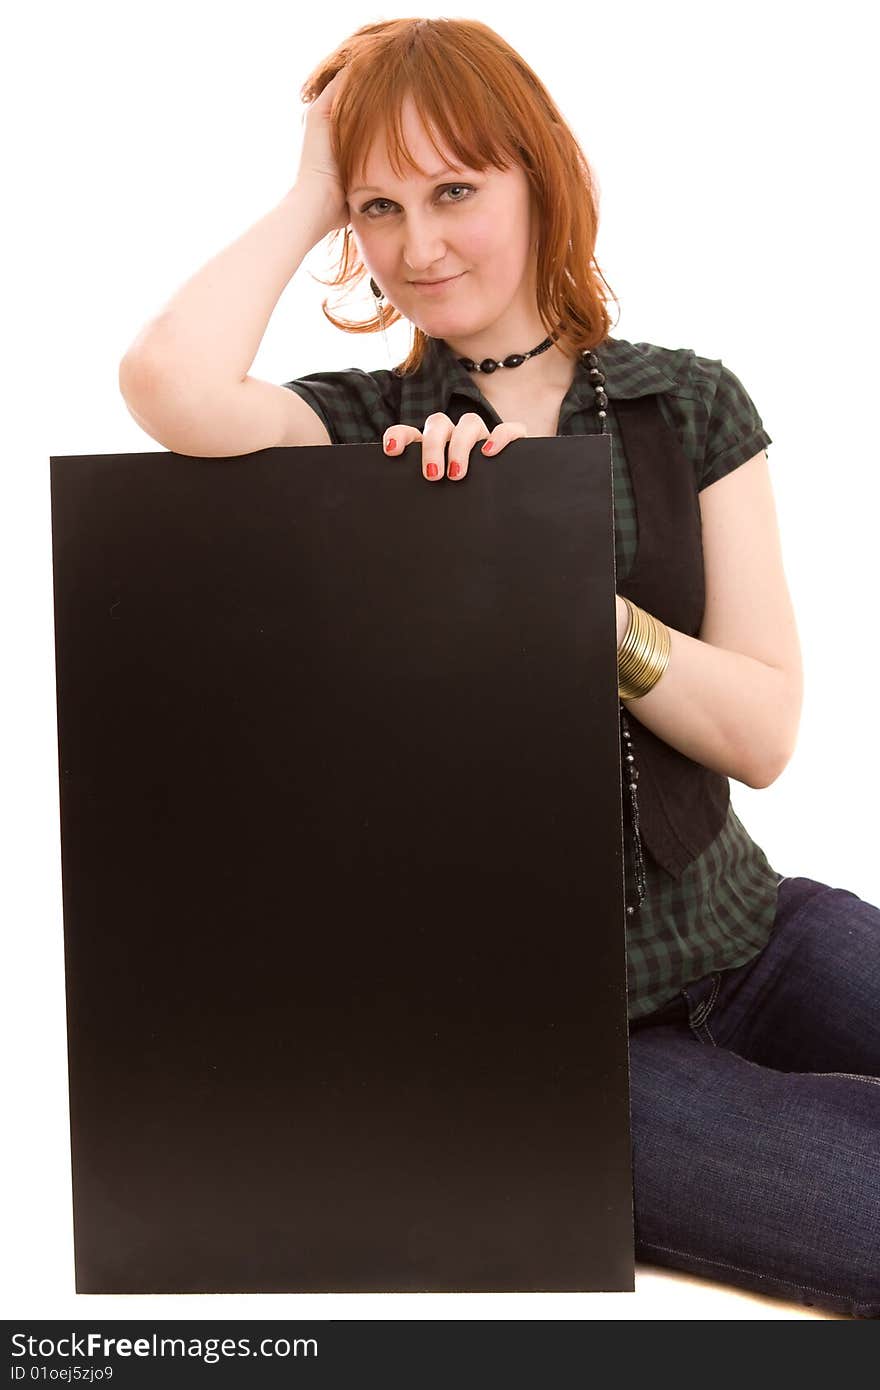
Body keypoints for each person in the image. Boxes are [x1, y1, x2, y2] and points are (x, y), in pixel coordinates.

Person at [117, 17, 879, 1319]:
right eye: (381, 207)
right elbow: (169, 381)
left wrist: (576, 607)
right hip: (569, 1042)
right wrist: (313, 183)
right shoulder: (359, 433)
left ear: (540, 176)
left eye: (457, 189)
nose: (418, 246)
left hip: (756, 932)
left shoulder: (688, 404)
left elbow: (765, 731)